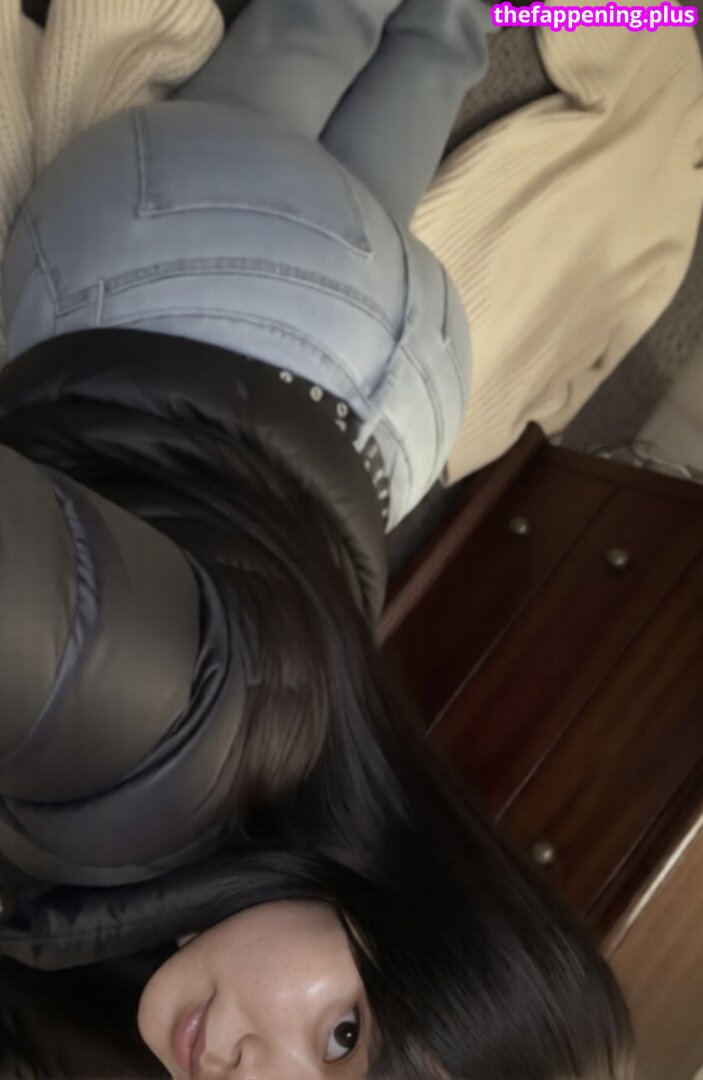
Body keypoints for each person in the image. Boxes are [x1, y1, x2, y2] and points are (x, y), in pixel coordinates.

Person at [0, 1, 632, 1077]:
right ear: (418, 915)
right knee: (315, 28)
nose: (256, 1074)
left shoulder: (308, 830)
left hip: (399, 396)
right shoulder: (160, 732)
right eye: (342, 1038)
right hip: (212, 259)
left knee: (430, 49)